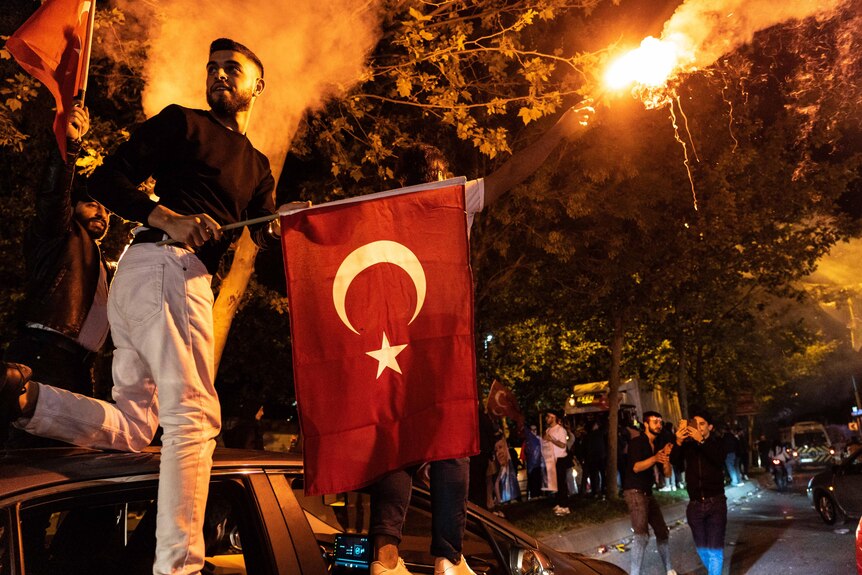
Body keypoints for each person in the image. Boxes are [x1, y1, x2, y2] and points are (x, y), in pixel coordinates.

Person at [0, 38, 295, 575]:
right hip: (164, 268)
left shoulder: (257, 166)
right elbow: (105, 178)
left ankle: (27, 401)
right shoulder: (183, 122)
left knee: (139, 428)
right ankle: (178, 567)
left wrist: (289, 226)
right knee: (195, 418)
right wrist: (166, 217)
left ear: (259, 85)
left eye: (233, 69)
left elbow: (267, 243)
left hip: (158, 284)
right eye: (213, 68)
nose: (220, 75)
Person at [367, 101, 594, 575]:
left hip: (389, 345)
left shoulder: (377, 212)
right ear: (440, 175)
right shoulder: (456, 199)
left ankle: (386, 555)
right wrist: (560, 132)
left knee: (399, 443)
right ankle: (447, 555)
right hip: (440, 339)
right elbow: (515, 170)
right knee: (450, 443)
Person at [4, 105, 111, 449]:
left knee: (65, 463)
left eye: (107, 210)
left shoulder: (101, 261)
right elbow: (53, 196)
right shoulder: (59, 236)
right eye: (93, 204)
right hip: (43, 356)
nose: (102, 213)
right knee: (23, 462)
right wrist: (69, 147)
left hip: (78, 368)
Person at [670, 411, 727, 575]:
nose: (698, 427)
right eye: (695, 424)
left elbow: (718, 459)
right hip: (695, 504)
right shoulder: (689, 446)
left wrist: (702, 441)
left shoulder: (717, 443)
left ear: (710, 427)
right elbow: (675, 461)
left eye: (702, 424)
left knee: (715, 550)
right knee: (702, 548)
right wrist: (679, 441)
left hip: (715, 502)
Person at [621, 410, 677, 575]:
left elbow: (666, 474)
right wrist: (655, 458)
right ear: (645, 424)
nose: (659, 425)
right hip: (634, 491)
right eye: (655, 422)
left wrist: (666, 459)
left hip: (647, 492)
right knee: (641, 535)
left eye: (660, 422)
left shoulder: (658, 445)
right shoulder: (637, 442)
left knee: (662, 531)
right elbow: (636, 467)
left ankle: (669, 569)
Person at [543, 410, 571, 513]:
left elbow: (563, 445)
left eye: (549, 417)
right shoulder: (548, 430)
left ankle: (565, 506)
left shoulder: (560, 430)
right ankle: (558, 503)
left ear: (554, 418)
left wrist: (551, 440)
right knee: (555, 483)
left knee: (561, 482)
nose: (547, 419)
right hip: (551, 459)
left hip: (560, 459)